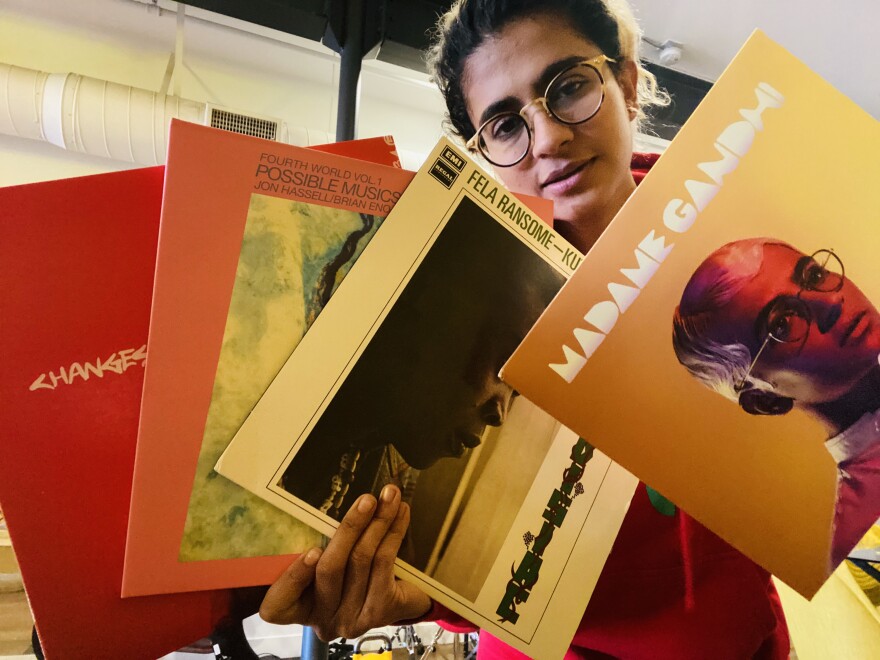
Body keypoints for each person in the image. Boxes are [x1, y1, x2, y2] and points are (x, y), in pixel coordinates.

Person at [259, 1, 791, 657]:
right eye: (505, 125)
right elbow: (485, 577)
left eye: (568, 88)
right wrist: (412, 596)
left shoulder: (745, 233)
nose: (547, 139)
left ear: (626, 82)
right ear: (484, 153)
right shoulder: (484, 295)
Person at [279, 197, 564, 524]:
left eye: (516, 393)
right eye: (505, 364)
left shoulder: (386, 495)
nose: (499, 415)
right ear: (429, 298)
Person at [672, 237, 880, 569]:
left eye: (813, 275)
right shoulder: (862, 535)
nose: (830, 302)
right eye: (782, 324)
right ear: (765, 400)